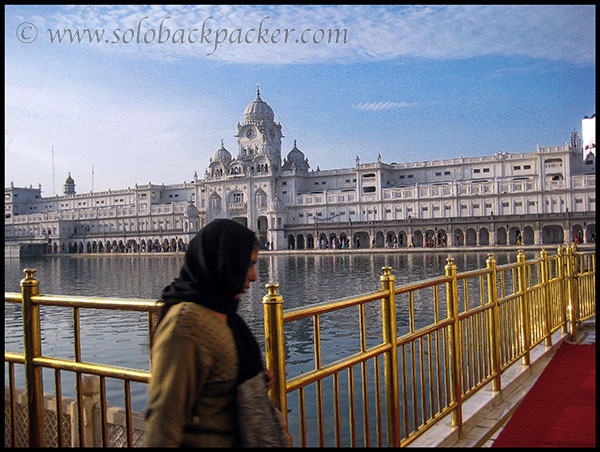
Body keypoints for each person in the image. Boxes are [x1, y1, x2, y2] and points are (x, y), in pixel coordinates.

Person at [144, 219, 287, 447]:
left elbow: (218, 383)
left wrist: (250, 379)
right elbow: (163, 425)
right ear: (224, 263)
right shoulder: (185, 324)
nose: (253, 276)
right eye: (247, 265)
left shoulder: (225, 314)